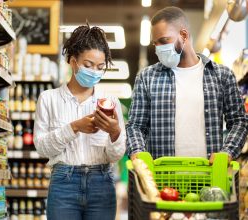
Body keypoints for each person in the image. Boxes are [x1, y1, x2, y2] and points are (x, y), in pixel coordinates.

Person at [126, 6, 248, 162]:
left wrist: (228, 152)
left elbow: (239, 121)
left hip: (209, 177)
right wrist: (137, 151)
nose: (159, 48)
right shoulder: (147, 77)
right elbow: (136, 125)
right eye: (155, 43)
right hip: (163, 178)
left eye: (164, 41)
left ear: (183, 35)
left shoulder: (222, 75)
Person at [33, 24, 126, 220]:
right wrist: (74, 127)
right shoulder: (49, 99)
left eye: (100, 67)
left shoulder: (111, 102)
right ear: (73, 62)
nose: (94, 71)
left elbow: (115, 155)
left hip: (101, 183)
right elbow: (42, 148)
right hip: (63, 184)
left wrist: (115, 132)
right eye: (88, 65)